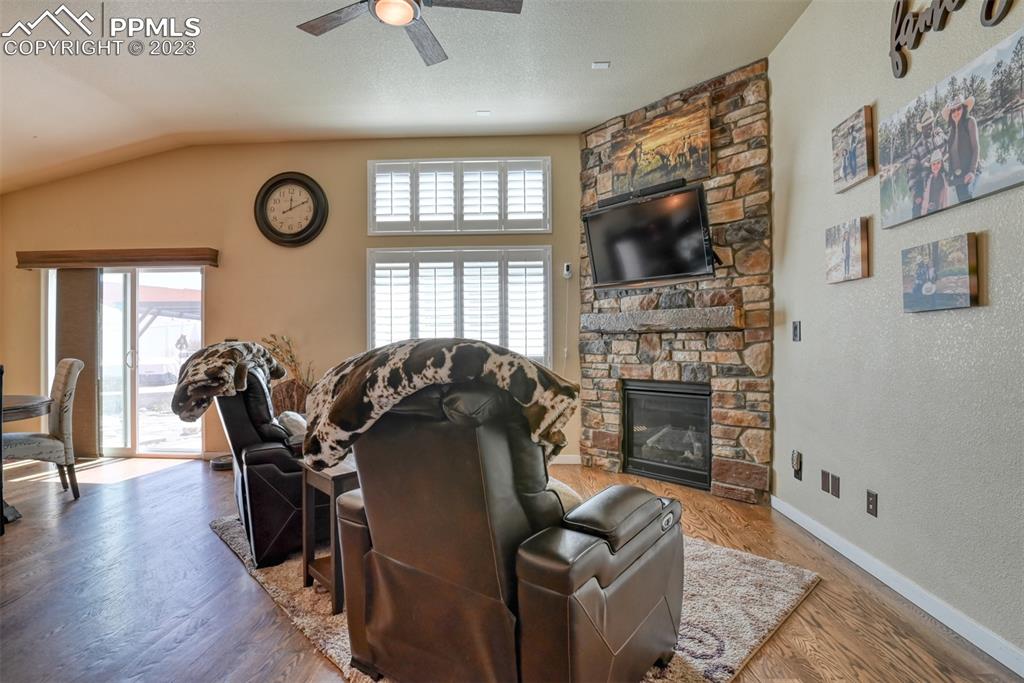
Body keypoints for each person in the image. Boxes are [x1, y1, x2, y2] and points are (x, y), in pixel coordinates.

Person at [906, 110, 943, 219]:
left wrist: (940, 134)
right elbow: (911, 174)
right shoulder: (916, 148)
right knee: (918, 220)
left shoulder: (938, 138)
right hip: (922, 193)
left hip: (937, 189)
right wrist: (917, 194)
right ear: (922, 128)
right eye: (926, 125)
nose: (929, 127)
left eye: (931, 123)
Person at [943, 95, 980, 203]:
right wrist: (949, 175)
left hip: (970, 172)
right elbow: (951, 154)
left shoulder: (970, 121)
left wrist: (972, 171)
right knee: (963, 203)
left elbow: (976, 148)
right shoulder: (951, 131)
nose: (955, 112)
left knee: (967, 197)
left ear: (964, 108)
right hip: (958, 178)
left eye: (958, 108)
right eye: (953, 110)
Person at [922, 149, 948, 215]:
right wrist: (926, 205)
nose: (936, 166)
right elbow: (924, 194)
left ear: (941, 164)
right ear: (930, 166)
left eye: (938, 163)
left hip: (939, 207)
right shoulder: (927, 178)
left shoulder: (944, 178)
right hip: (927, 209)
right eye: (933, 164)